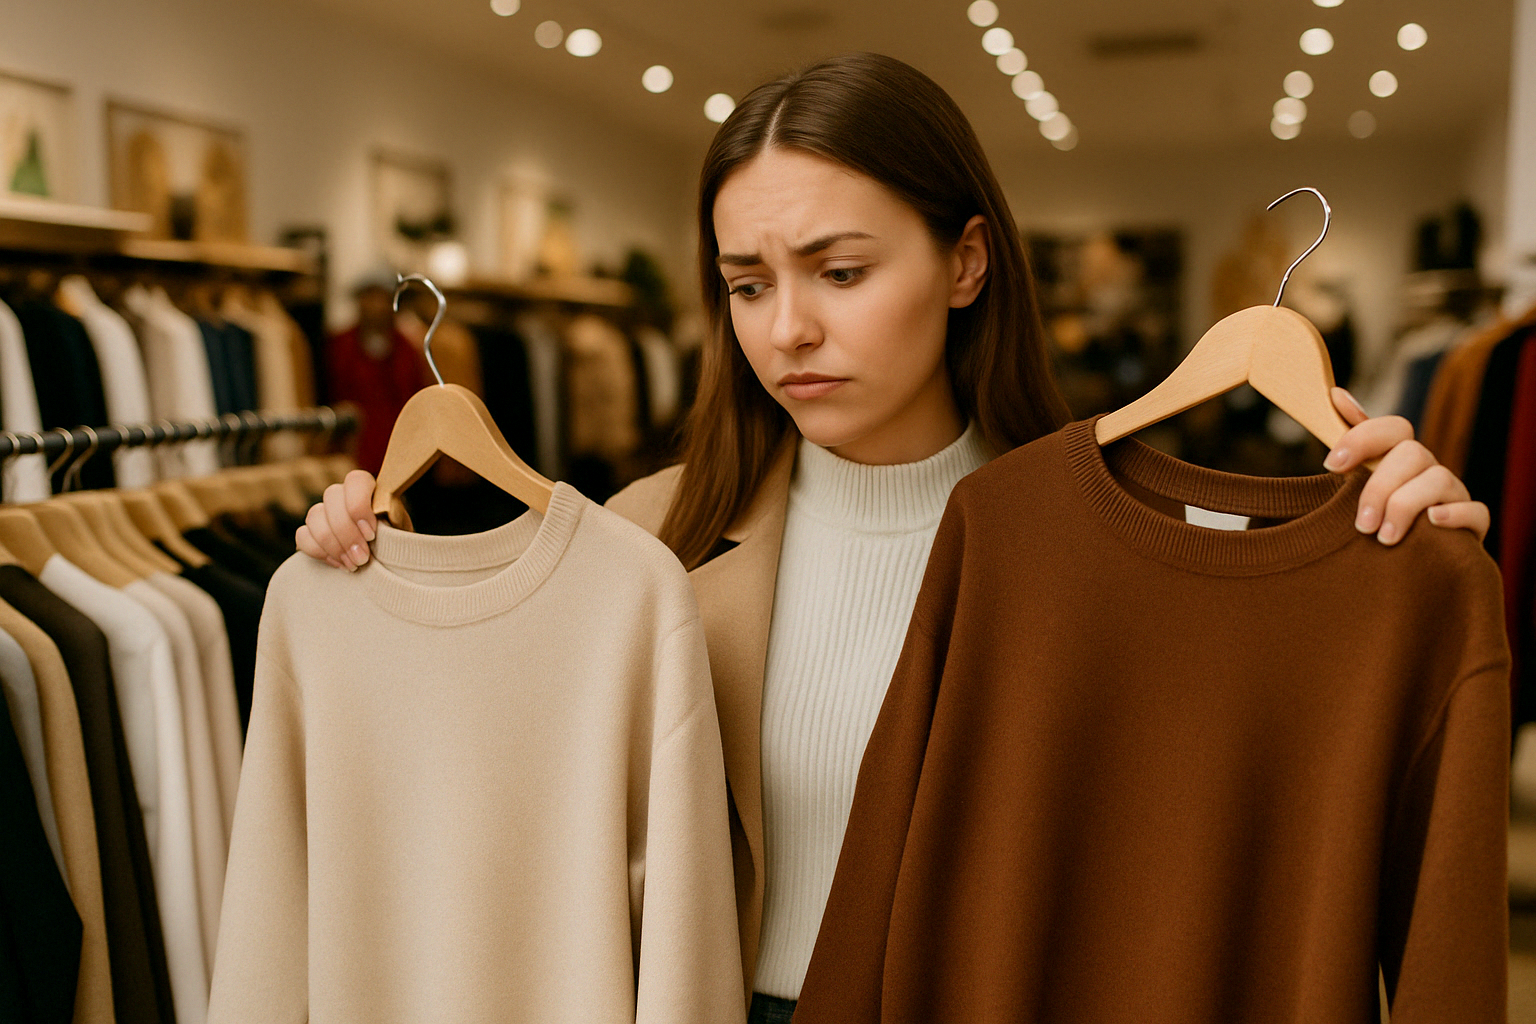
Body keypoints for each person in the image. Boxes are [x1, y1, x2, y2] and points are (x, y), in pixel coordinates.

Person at [296, 53, 1491, 1022]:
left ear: (967, 261)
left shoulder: (1104, 543)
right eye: (747, 284)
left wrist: (1407, 545)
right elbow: (490, 802)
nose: (789, 329)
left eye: (841, 270)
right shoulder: (645, 539)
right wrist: (374, 558)